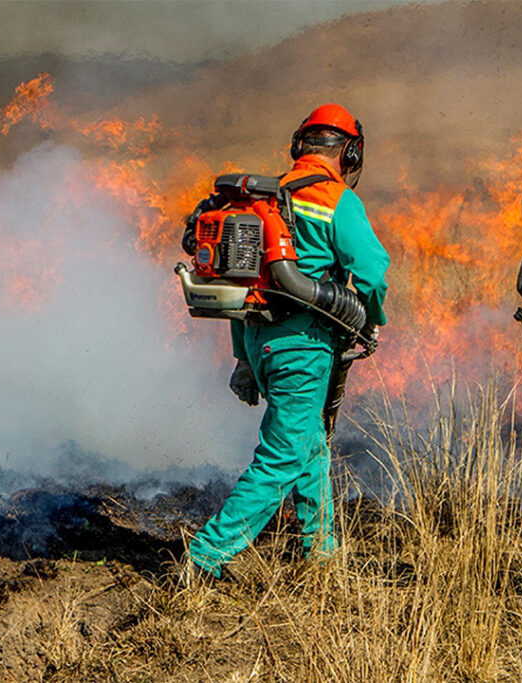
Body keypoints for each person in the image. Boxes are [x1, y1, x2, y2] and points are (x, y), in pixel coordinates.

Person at [186, 104, 390, 579]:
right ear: (351, 153)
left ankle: (320, 554)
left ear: (300, 146)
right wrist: (370, 318)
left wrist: (243, 359)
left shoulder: (267, 198)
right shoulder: (336, 198)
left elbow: (248, 284)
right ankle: (205, 557)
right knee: (282, 458)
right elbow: (373, 271)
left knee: (311, 444)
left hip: (259, 342)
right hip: (302, 344)